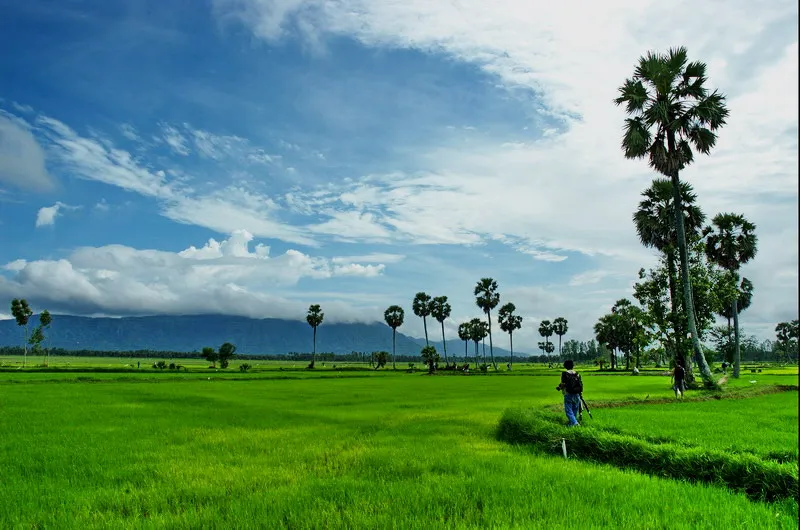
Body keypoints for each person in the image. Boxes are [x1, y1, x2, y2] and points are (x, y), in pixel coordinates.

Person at [556, 359, 583, 426]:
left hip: (568, 394)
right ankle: (571, 425)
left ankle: (575, 423)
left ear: (565, 366)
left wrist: (559, 387)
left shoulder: (565, 374)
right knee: (574, 411)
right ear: (573, 366)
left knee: (568, 411)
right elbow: (580, 384)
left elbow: (563, 384)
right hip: (577, 394)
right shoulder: (577, 374)